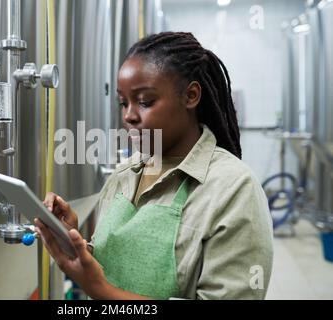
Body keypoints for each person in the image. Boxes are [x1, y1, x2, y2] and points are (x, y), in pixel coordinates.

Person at [34, 31, 273, 300]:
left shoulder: (233, 188)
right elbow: (115, 267)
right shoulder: (125, 173)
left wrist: (101, 291)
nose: (128, 116)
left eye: (145, 101)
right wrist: (78, 245)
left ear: (191, 95)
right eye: (123, 103)